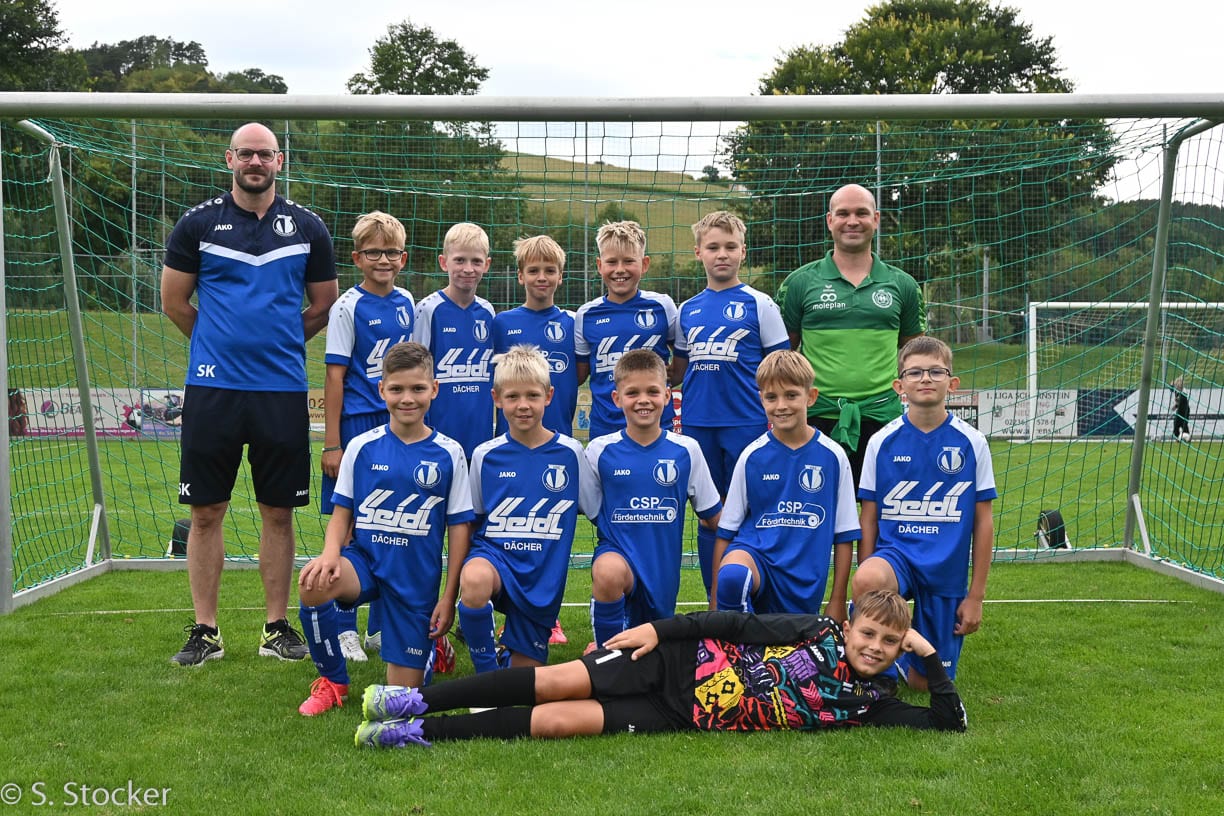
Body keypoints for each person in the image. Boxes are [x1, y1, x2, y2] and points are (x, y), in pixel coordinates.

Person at [352, 589, 966, 747]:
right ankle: (413, 701)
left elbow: (948, 721)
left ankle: (418, 733)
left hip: (678, 715)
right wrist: (657, 630)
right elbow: (732, 626)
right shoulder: (818, 630)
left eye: (889, 642)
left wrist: (930, 655)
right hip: (672, 661)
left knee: (558, 723)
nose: (875, 646)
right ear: (850, 625)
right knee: (554, 682)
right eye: (869, 633)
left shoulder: (872, 704)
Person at [161, 122, 338, 667]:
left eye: (264, 154)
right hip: (212, 388)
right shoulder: (197, 223)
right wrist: (218, 345)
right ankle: (205, 630)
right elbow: (174, 302)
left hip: (280, 390)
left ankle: (276, 627)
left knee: (278, 513)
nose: (255, 162)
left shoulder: (308, 227)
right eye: (246, 154)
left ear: (279, 161)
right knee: (206, 511)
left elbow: (323, 304)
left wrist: (276, 344)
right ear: (229, 159)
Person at [295, 342, 474, 715]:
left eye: (417, 388)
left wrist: (448, 597)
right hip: (365, 562)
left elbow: (459, 530)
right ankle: (334, 681)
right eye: (397, 389)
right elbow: (341, 514)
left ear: (434, 389)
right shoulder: (361, 447)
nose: (407, 398)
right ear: (382, 390)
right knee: (313, 582)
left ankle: (432, 649)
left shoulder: (450, 453)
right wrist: (330, 554)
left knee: (402, 698)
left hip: (415, 580)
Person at [853, 337, 996, 691]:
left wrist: (975, 597)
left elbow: (983, 521)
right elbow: (868, 517)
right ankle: (876, 658)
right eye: (915, 372)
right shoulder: (881, 442)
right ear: (899, 385)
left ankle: (905, 659)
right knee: (869, 578)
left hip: (945, 569)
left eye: (936, 371)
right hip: (896, 558)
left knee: (925, 684)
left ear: (953, 383)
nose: (926, 379)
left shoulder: (972, 442)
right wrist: (865, 585)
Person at [457, 345, 600, 672]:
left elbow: (597, 513)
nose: (523, 405)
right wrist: (458, 585)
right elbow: (472, 521)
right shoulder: (485, 455)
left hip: (541, 581)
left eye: (532, 396)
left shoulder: (571, 453)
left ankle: (508, 657)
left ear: (548, 396)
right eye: (513, 397)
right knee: (475, 579)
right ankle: (486, 676)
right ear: (496, 398)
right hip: (496, 561)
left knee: (524, 678)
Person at [775, 183, 926, 485]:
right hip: (815, 417)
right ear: (830, 220)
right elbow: (782, 359)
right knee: (816, 505)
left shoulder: (904, 285)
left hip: (883, 418)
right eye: (843, 213)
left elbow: (916, 357)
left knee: (882, 507)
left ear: (876, 219)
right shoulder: (799, 283)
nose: (852, 221)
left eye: (861, 213)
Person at [673, 211, 790, 595]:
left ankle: (756, 594)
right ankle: (717, 604)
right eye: (713, 247)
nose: (721, 254)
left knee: (751, 511)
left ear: (743, 251)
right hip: (698, 425)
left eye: (729, 246)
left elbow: (781, 369)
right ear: (698, 253)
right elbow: (678, 370)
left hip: (746, 424)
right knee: (710, 514)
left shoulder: (761, 304)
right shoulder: (687, 310)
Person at [320, 211, 416, 663]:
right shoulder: (347, 306)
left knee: (393, 524)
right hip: (358, 425)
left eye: (391, 252)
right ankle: (344, 628)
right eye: (373, 252)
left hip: (398, 425)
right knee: (351, 528)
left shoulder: (408, 302)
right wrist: (332, 443)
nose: (383, 260)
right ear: (357, 258)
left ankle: (380, 627)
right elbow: (334, 377)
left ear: (403, 258)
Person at [585, 349, 722, 649]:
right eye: (632, 393)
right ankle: (606, 658)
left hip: (662, 573)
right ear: (617, 398)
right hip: (619, 558)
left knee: (657, 655)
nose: (643, 400)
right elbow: (589, 510)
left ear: (667, 395)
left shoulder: (686, 450)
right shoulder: (598, 451)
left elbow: (714, 519)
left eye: (652, 391)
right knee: (608, 571)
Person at [710, 351, 859, 624]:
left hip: (804, 580)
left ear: (811, 397)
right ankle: (738, 646)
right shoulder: (752, 456)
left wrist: (837, 600)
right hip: (757, 560)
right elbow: (726, 532)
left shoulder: (833, 456)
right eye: (771, 397)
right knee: (733, 577)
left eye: (791, 395)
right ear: (761, 399)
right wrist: (716, 603)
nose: (781, 406)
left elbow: (844, 535)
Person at [492, 234, 580, 647]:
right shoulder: (502, 324)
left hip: (557, 446)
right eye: (533, 270)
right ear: (520, 275)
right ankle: (509, 613)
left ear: (561, 277)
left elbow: (580, 373)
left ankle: (550, 615)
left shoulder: (573, 324)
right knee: (513, 531)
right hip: (512, 446)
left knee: (551, 535)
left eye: (549, 270)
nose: (541, 277)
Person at [574, 221, 679, 441]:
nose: (620, 269)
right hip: (605, 428)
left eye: (629, 261)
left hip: (658, 426)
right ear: (599, 265)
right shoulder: (585, 315)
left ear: (644, 264)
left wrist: (667, 377)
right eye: (612, 262)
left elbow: (680, 359)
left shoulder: (663, 307)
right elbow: (581, 374)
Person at [412, 222, 496, 460]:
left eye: (476, 261)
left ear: (487, 265)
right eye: (459, 260)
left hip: (480, 438)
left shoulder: (488, 312)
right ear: (443, 262)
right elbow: (416, 373)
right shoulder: (428, 310)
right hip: (436, 439)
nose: (468, 269)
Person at [1171, 376, 1191, 442]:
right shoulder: (1176, 391)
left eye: (1178, 385)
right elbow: (1171, 389)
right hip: (1179, 410)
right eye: (1176, 385)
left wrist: (1177, 403)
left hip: (1185, 410)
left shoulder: (1184, 391)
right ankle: (1177, 438)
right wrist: (1175, 406)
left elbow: (1182, 400)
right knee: (1176, 423)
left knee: (1184, 425)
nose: (1177, 387)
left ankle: (1187, 438)